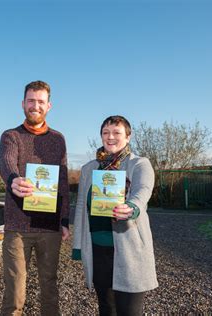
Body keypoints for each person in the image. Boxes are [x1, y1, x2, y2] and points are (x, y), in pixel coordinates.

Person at [72, 115, 158, 315]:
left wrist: (132, 207)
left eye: (117, 132)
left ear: (128, 137)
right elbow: (80, 209)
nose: (110, 137)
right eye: (105, 132)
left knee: (129, 311)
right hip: (98, 250)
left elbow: (143, 190)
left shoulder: (139, 164)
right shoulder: (89, 169)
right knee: (106, 308)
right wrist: (78, 245)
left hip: (129, 250)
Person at [0, 80, 70, 315]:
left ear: (49, 106)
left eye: (40, 102)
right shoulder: (11, 136)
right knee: (15, 293)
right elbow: (7, 162)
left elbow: (62, 182)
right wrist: (13, 180)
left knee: (49, 288)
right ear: (23, 104)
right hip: (17, 227)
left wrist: (64, 220)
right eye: (31, 101)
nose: (35, 106)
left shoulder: (58, 139)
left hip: (49, 227)